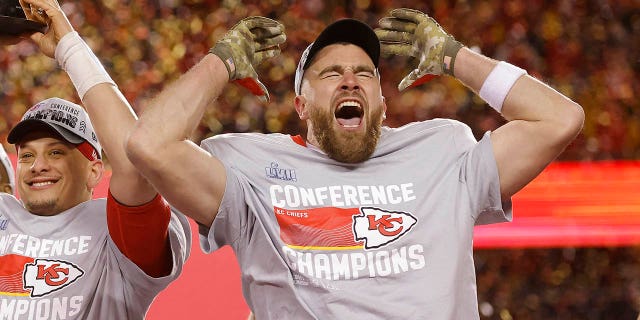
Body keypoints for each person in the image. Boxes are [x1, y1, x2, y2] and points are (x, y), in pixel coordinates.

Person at [125, 8, 584, 320]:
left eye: (365, 73)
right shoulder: (250, 167)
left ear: (382, 103)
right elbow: (150, 145)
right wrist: (220, 64)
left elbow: (560, 118)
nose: (350, 80)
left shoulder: (441, 151)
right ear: (301, 107)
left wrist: (454, 57)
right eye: (331, 74)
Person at [0, 0, 190, 318]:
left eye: (56, 151)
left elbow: (134, 161)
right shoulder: (4, 214)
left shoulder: (114, 231)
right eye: (27, 155)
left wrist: (69, 48)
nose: (37, 166)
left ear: (94, 171)